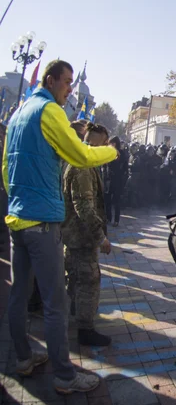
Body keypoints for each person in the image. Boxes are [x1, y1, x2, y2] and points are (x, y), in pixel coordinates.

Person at [3, 60, 117, 393]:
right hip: (42, 222)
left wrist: (19, 200)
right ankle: (66, 377)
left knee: (18, 296)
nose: (70, 89)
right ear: (50, 81)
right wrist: (109, 152)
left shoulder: (18, 114)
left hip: (17, 219)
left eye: (71, 82)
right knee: (56, 303)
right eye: (66, 82)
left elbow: (6, 170)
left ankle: (23, 359)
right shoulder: (49, 111)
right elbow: (80, 155)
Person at [63, 123, 113, 346]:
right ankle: (85, 328)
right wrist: (100, 236)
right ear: (97, 142)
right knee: (88, 280)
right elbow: (83, 206)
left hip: (75, 234)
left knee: (77, 278)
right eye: (104, 145)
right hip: (80, 235)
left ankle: (77, 310)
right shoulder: (82, 164)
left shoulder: (83, 159)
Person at [103, 136, 128, 227]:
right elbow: (104, 166)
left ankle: (116, 220)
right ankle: (108, 218)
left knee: (117, 202)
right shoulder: (107, 153)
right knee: (107, 201)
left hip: (118, 180)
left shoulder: (121, 154)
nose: (112, 145)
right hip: (108, 180)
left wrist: (123, 182)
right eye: (110, 143)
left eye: (113, 143)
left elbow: (125, 169)